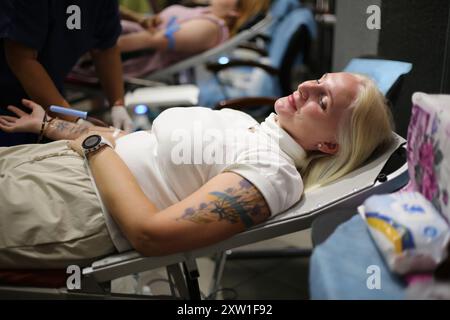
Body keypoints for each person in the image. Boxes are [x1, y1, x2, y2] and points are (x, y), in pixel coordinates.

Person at [0, 72, 394, 269]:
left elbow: (150, 235)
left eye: (322, 101)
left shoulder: (272, 173)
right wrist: (50, 127)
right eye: (320, 80)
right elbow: (135, 142)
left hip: (73, 203)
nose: (307, 86)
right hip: (62, 166)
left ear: (328, 146)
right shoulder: (254, 129)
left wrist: (92, 145)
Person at [0, 0, 133, 147]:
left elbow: (106, 48)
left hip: (49, 92)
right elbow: (21, 59)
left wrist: (117, 104)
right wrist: (73, 121)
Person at [73, 0, 270, 79]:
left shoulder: (209, 28)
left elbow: (151, 41)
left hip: (119, 52)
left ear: (236, 11)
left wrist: (93, 50)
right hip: (112, 37)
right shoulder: (206, 12)